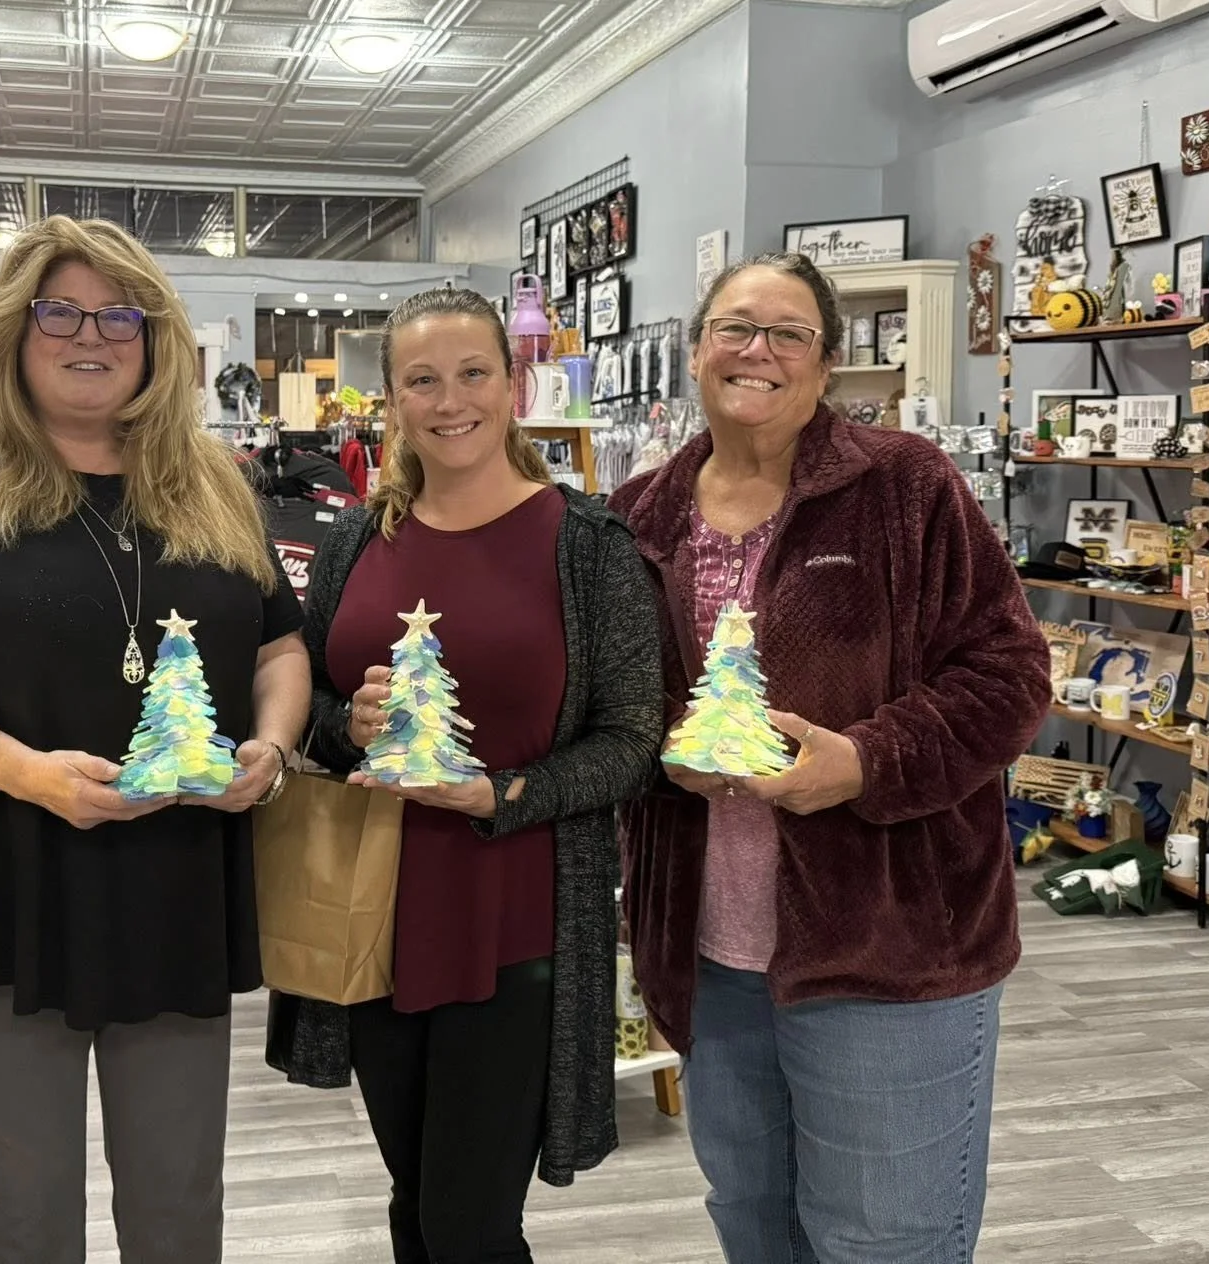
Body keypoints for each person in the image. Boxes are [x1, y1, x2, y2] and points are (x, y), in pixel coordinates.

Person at [0, 216, 309, 1264]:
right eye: (59, 310)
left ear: (156, 337)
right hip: (3, 879)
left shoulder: (208, 480)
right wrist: (27, 774)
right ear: (13, 324)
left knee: (180, 1203)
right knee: (19, 1212)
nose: (90, 335)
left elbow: (276, 645)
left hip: (176, 881)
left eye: (119, 315)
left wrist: (268, 752)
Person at [609, 251, 1052, 1264]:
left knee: (882, 1241)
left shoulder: (902, 487)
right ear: (693, 351)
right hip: (709, 948)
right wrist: (655, 755)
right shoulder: (638, 515)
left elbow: (1009, 676)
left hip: (887, 943)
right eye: (733, 327)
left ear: (825, 363)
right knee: (753, 1222)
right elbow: (611, 705)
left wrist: (859, 762)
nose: (755, 351)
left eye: (787, 333)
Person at [272, 286, 664, 1263]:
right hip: (369, 916)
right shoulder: (358, 539)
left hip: (514, 921)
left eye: (472, 373)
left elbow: (633, 743)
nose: (450, 401)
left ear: (512, 382)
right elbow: (310, 713)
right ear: (392, 399)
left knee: (468, 1225)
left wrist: (503, 794)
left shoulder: (586, 546)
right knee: (414, 1203)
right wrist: (344, 724)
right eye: (422, 380)